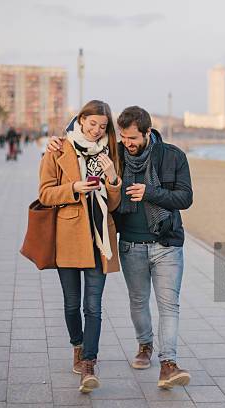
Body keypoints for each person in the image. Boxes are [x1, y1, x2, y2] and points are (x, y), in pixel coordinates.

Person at [46, 106, 194, 389]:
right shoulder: (114, 155)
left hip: (167, 243)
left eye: (133, 139)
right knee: (138, 303)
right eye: (123, 138)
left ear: (148, 133)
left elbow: (185, 197)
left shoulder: (172, 156)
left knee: (169, 306)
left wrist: (150, 193)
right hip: (130, 244)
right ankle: (144, 345)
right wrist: (55, 141)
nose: (127, 144)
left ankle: (168, 364)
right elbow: (83, 139)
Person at [39, 100, 122, 394]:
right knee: (72, 304)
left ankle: (89, 361)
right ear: (81, 119)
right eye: (93, 124)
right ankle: (77, 344)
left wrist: (112, 178)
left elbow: (114, 203)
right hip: (69, 237)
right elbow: (45, 193)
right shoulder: (59, 148)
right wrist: (74, 189)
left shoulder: (109, 153)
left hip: (100, 240)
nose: (98, 130)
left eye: (103, 126)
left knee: (94, 306)